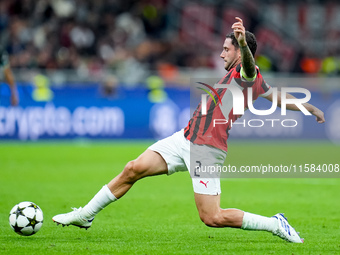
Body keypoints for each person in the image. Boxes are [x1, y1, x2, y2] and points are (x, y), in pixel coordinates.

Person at [52, 17, 325, 243]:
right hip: (185, 138)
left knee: (212, 218)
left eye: (227, 49)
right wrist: (309, 108)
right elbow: (276, 97)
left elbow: (252, 70)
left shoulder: (246, 74)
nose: (221, 53)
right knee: (132, 168)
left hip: (207, 150)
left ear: (240, 51)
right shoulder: (246, 78)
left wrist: (243, 46)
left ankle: (275, 224)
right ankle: (86, 214)